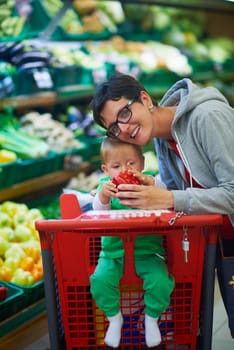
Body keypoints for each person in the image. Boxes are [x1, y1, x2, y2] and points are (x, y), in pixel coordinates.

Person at [89, 73, 234, 338]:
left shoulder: (207, 116)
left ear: (144, 99)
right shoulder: (160, 138)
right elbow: (182, 188)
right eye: (113, 128)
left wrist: (167, 199)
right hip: (222, 241)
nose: (122, 129)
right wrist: (151, 184)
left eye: (124, 114)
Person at [90, 137, 175, 348]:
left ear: (143, 163)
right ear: (105, 169)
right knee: (99, 280)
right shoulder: (105, 186)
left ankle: (152, 318)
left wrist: (153, 183)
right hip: (113, 252)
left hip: (148, 251)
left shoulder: (148, 182)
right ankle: (114, 318)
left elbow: (165, 194)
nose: (125, 170)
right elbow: (97, 213)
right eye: (116, 166)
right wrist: (102, 197)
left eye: (131, 163)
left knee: (160, 281)